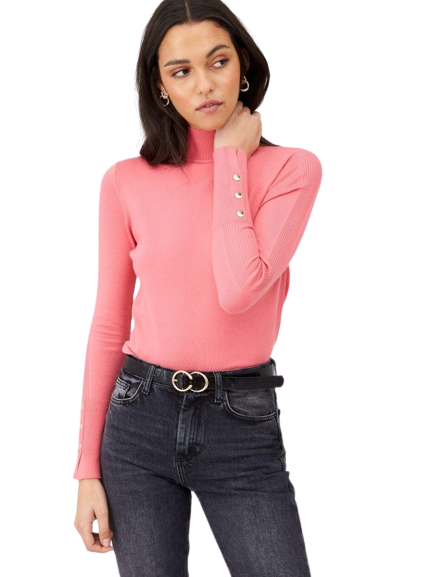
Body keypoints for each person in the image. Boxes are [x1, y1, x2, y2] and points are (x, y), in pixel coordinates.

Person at [73, 1, 323, 575]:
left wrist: (232, 157)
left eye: (218, 62)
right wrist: (87, 471)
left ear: (244, 66)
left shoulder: (293, 169)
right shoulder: (125, 180)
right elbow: (108, 323)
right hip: (138, 421)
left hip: (242, 425)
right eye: (181, 71)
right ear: (160, 87)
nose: (204, 85)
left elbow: (240, 288)